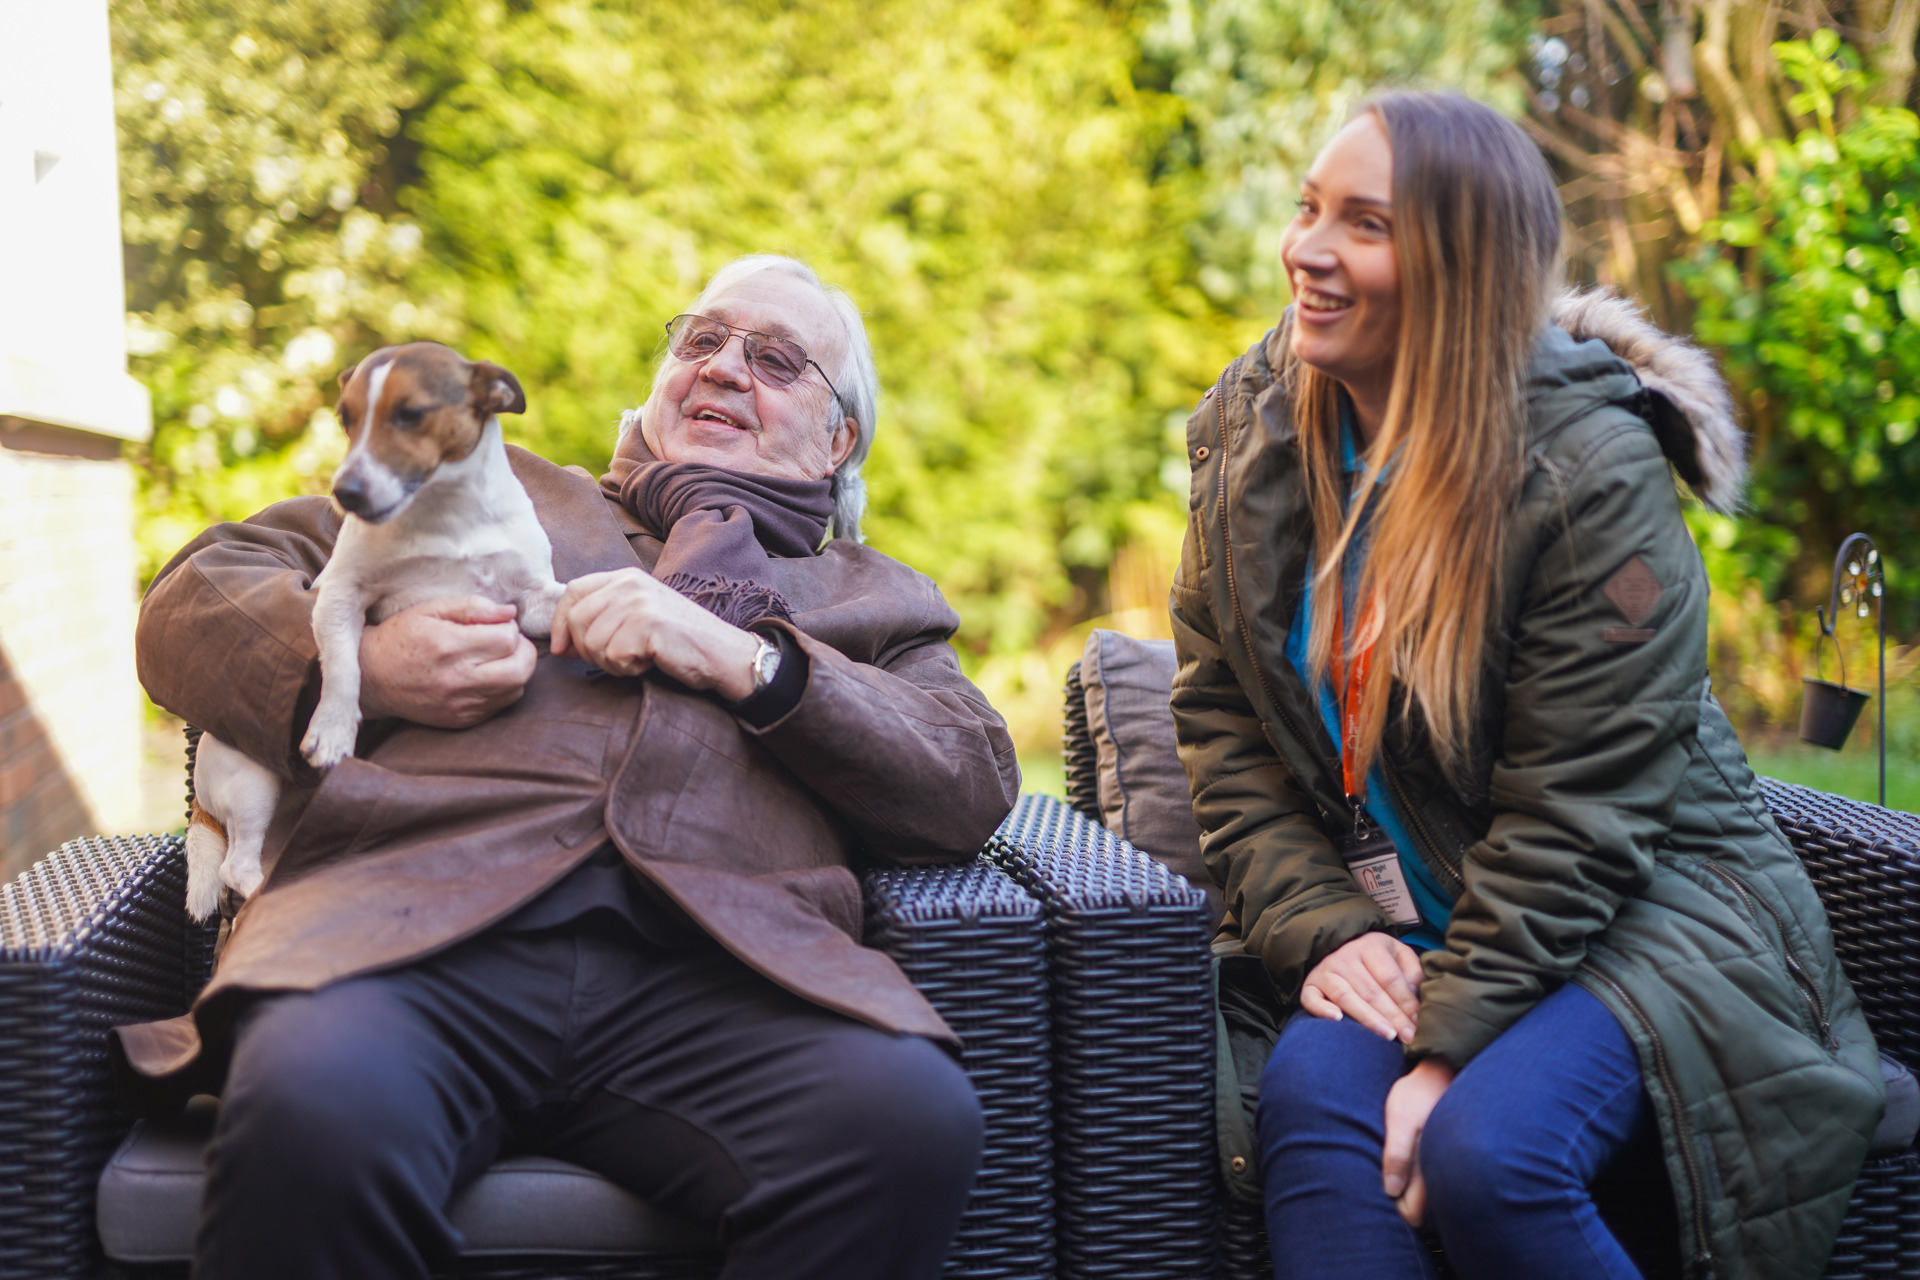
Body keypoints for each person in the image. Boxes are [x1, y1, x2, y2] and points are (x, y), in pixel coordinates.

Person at [121, 254, 1021, 1280]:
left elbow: (969, 776)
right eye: (701, 340)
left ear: (839, 437)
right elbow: (190, 599)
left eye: (774, 359)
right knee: (313, 1104)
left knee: (907, 1122)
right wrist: (370, 666)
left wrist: (749, 662)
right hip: (415, 936)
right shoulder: (485, 487)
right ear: (659, 380)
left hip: (724, 975)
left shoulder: (876, 598)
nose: (723, 366)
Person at [1169, 93, 1883, 1280]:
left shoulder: (1586, 470)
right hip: (1418, 915)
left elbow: (1583, 810)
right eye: (1308, 210)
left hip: (1648, 903)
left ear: (1463, 267)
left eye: (1364, 223)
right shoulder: (1256, 439)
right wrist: (1324, 926)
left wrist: (1445, 1055)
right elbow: (1222, 717)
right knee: (1312, 1095)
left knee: (1490, 1148)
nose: (1306, 248)